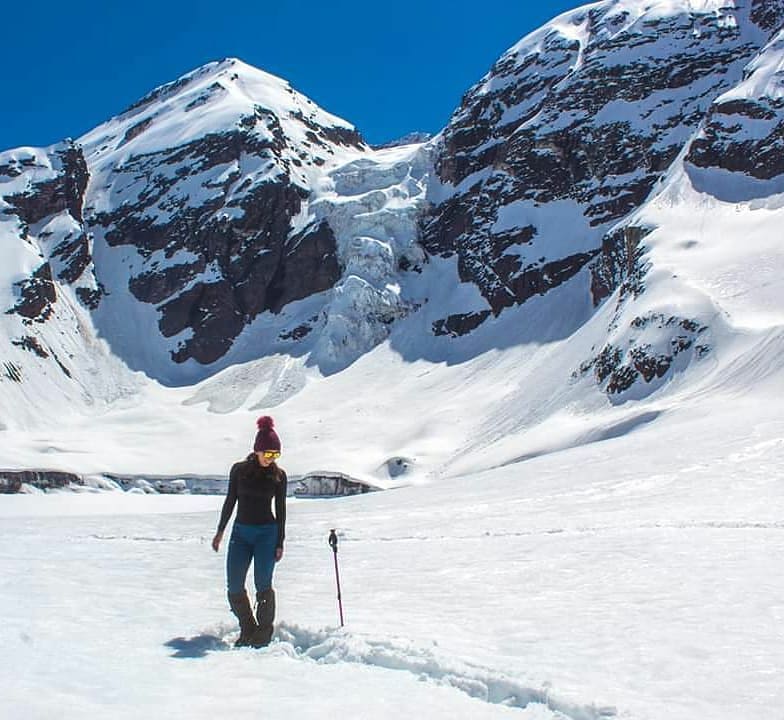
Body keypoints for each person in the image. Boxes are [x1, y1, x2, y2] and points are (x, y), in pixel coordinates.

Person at [212, 416, 287, 647]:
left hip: (267, 534)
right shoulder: (238, 471)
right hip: (241, 534)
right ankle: (248, 628)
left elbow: (281, 510)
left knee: (262, 583)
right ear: (257, 450)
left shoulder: (279, 476)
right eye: (269, 454)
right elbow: (230, 501)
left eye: (276, 455)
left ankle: (263, 634)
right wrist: (220, 531)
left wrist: (280, 541)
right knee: (234, 584)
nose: (271, 459)